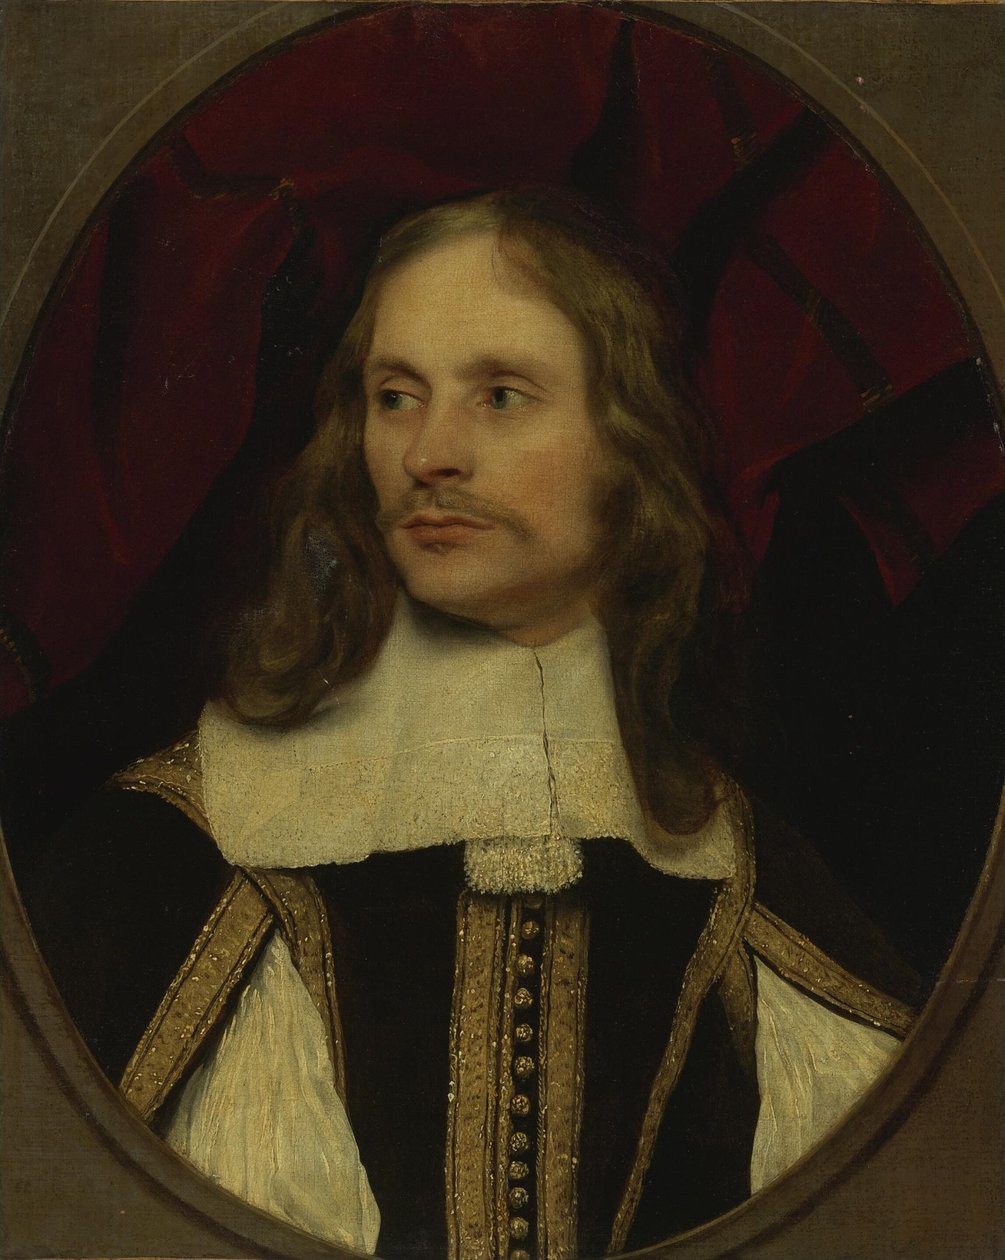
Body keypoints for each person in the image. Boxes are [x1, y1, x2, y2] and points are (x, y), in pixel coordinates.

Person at [24, 190, 923, 1259]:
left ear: (627, 445)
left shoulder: (725, 855)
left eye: (500, 395)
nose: (429, 454)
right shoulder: (176, 838)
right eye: (394, 397)